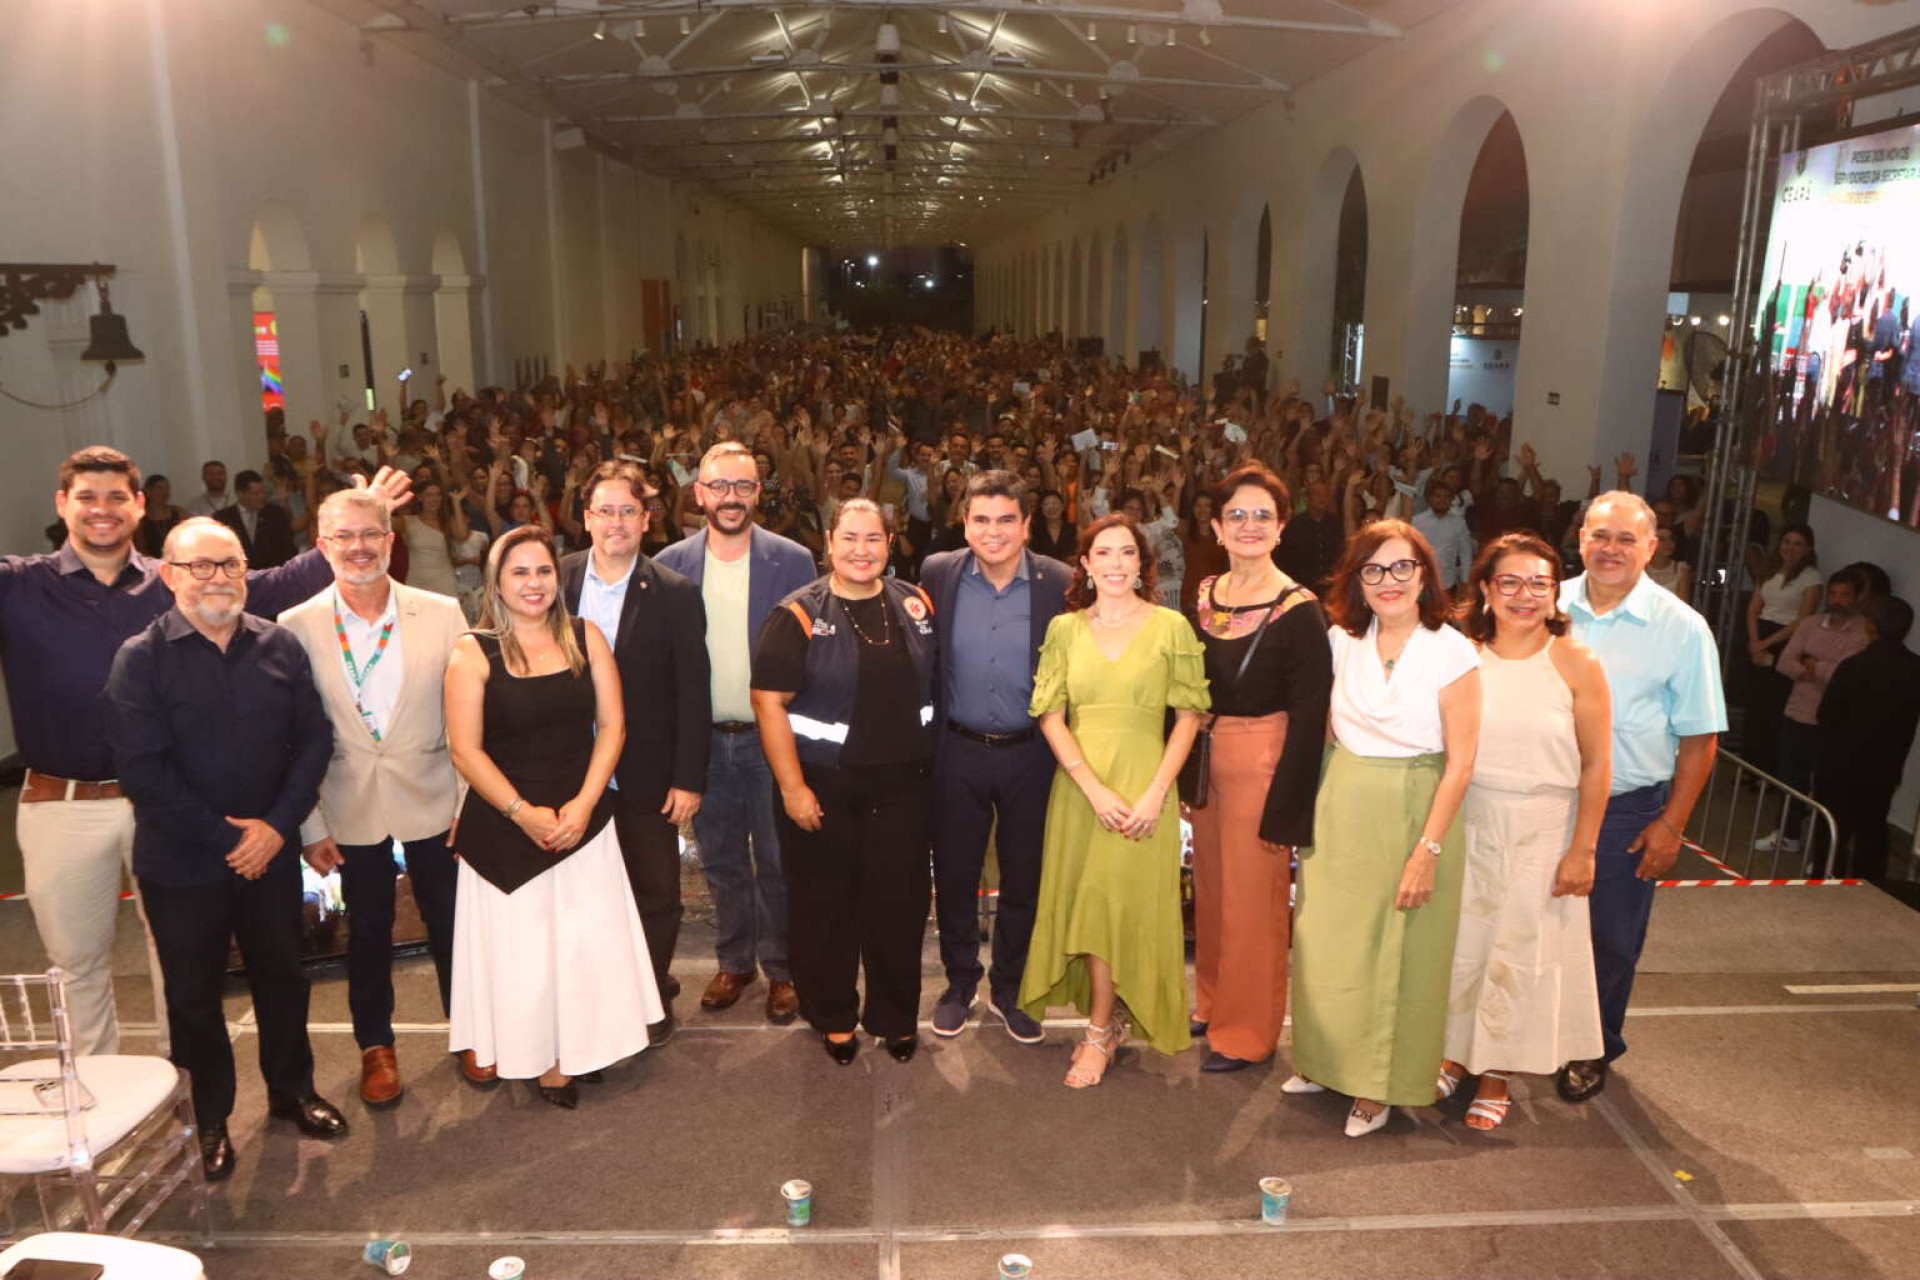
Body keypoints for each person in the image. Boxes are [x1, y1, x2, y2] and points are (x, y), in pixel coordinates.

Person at [0, 446, 408, 1059]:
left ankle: (183, 1097)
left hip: (172, 809)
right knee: (77, 966)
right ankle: (103, 1102)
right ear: (62, 505)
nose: (102, 511)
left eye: (117, 497)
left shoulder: (178, 577)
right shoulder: (19, 586)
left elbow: (271, 581)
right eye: (87, 497)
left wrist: (350, 529)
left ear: (139, 506)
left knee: (181, 966)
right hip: (68, 803)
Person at [104, 518, 343, 1182]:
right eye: (201, 566)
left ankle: (293, 1091)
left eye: (230, 565)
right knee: (193, 998)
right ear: (170, 575)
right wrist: (233, 838)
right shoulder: (139, 659)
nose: (218, 578)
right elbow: (143, 773)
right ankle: (208, 1117)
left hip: (268, 853)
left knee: (284, 978)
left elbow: (314, 741)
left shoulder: (280, 646)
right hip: (182, 865)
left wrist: (275, 828)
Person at [444, 525, 661, 1108]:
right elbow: (466, 750)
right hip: (506, 829)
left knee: (582, 948)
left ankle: (576, 1051)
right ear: (496, 582)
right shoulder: (472, 651)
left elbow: (613, 726)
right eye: (519, 572)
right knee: (524, 958)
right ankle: (534, 1056)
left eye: (543, 570)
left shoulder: (585, 637)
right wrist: (523, 814)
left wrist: (584, 805)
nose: (533, 583)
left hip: (581, 820)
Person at [278, 489, 477, 1105]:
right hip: (348, 805)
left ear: (391, 540)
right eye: (344, 537)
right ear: (322, 546)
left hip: (436, 796)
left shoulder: (442, 613)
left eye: (370, 534)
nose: (358, 547)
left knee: (453, 924)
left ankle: (470, 1031)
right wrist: (310, 825)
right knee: (367, 931)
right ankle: (376, 1047)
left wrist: (472, 805)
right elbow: (292, 734)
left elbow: (471, 716)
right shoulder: (296, 625)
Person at [1286, 520, 1481, 1137]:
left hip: (1414, 806)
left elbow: (1464, 760)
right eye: (1373, 570)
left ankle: (1379, 1087)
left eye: (1402, 568)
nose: (1388, 581)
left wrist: (1428, 849)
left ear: (1425, 574)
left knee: (1397, 956)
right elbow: (1320, 730)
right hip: (1342, 802)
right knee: (1328, 947)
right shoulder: (1342, 640)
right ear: (1358, 582)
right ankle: (1322, 1062)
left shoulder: (1453, 650)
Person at [1018, 514, 1209, 1087]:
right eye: (1105, 553)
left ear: (1142, 564)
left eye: (1128, 553)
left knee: (1127, 908)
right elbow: (1050, 716)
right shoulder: (1065, 630)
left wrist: (1155, 795)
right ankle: (1103, 1024)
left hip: (1147, 791)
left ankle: (1107, 1025)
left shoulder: (1172, 626)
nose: (1117, 563)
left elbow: (1190, 716)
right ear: (1086, 564)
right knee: (1095, 906)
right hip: (1081, 793)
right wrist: (1092, 787)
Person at [750, 500, 939, 1066]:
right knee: (825, 909)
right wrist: (792, 789)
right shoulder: (798, 614)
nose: (862, 549)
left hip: (904, 787)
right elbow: (768, 702)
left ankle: (896, 1017)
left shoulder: (915, 602)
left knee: (899, 907)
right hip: (822, 789)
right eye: (850, 538)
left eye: (874, 538)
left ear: (890, 542)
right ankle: (833, 1016)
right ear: (829, 541)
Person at [1555, 491, 1725, 1103]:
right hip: (1538, 800)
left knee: (1609, 939)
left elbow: (1701, 739)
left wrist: (1671, 824)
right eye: (1600, 536)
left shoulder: (1682, 629)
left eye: (1627, 539)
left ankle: (1591, 1047)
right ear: (1580, 540)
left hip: (1626, 809)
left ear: (1652, 548)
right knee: (1518, 926)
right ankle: (1506, 1044)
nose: (1611, 550)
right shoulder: (1542, 605)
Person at [1439, 534, 1610, 1131]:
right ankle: (1456, 1055)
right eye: (1509, 582)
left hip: (1544, 827)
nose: (1524, 595)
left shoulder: (1576, 661)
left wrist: (1582, 848)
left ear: (1555, 591)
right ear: (1485, 589)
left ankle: (1497, 1075)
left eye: (1539, 582)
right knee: (1462, 945)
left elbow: (1596, 763)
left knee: (1518, 954)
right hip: (1471, 819)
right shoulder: (1460, 655)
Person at [655, 443, 816, 1024]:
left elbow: (812, 656)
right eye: (719, 486)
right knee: (721, 860)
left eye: (743, 487)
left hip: (771, 740)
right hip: (704, 741)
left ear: (758, 493)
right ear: (698, 493)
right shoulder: (670, 564)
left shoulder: (794, 560)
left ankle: (783, 969)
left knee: (777, 859)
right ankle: (735, 961)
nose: (730, 497)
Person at [1186, 466, 1331, 1073]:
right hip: (1208, 759)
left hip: (1265, 762)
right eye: (1236, 515)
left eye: (1262, 515)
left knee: (1255, 904)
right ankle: (1213, 998)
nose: (1249, 526)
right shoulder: (1206, 593)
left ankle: (1246, 1030)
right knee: (1213, 891)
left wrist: (1289, 804)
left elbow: (1311, 715)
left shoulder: (1299, 608)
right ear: (1216, 526)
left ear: (1281, 527)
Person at [920, 472, 1073, 1044]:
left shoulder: (1060, 582)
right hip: (956, 751)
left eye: (1006, 519)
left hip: (1032, 756)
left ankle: (1010, 988)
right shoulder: (939, 573)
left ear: (1027, 525)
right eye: (981, 520)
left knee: (1024, 878)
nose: (993, 531)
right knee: (955, 876)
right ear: (965, 525)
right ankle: (960, 983)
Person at [560, 461, 710, 1040]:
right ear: (586, 518)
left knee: (655, 892)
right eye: (605, 510)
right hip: (571, 775)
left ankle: (649, 995)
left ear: (646, 520)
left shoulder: (674, 593)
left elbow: (693, 689)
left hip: (647, 773)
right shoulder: (559, 580)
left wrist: (688, 778)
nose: (616, 521)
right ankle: (597, 998)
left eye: (629, 510)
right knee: (585, 894)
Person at [1764, 567, 1871, 863]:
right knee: (1789, 779)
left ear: (1858, 598)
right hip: (1796, 712)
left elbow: (1845, 678)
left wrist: (1814, 666)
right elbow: (1785, 662)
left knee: (1826, 788)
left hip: (1831, 722)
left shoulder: (1864, 635)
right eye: (1833, 594)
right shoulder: (1810, 624)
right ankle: (1787, 835)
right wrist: (1818, 669)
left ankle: (1822, 851)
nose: (1837, 600)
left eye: (1844, 595)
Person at [1817, 595, 1920, 880]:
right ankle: (1871, 885)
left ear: (1870, 627)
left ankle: (1826, 876)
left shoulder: (1853, 666)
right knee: (1873, 825)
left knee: (1834, 825)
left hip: (1841, 760)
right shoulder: (1915, 668)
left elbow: (1826, 715)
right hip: (1887, 762)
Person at [1741, 525, 1820, 776]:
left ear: (1807, 549)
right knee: (1753, 703)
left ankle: (1769, 768)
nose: (1790, 547)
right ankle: (1749, 765)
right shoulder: (1769, 570)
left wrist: (1764, 644)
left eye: (1797, 543)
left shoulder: (1811, 577)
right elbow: (1754, 608)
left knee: (1773, 705)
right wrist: (1755, 641)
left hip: (1786, 640)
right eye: (1786, 541)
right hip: (1760, 634)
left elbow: (1803, 619)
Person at [394, 478, 468, 598]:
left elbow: (462, 535)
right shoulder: (407, 521)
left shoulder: (447, 522)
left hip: (444, 583)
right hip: (417, 583)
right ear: (420, 497)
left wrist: (456, 503)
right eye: (429, 495)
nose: (434, 499)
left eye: (437, 495)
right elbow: (379, 521)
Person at [216, 470, 299, 569]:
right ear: (240, 493)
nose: (262, 497)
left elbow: (288, 548)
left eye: (263, 492)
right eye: (256, 494)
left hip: (273, 576)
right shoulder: (223, 518)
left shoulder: (276, 514)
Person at [1277, 480, 1344, 594]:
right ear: (1307, 498)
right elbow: (1285, 560)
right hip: (1301, 587)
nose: (1322, 498)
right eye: (1317, 494)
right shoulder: (1293, 526)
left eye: (1325, 494)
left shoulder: (1335, 524)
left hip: (1331, 588)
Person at [1412, 477, 1473, 593]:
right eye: (1438, 496)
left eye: (1446, 497)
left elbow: (1465, 553)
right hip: (1422, 583)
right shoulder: (1417, 521)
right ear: (1430, 499)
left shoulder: (1459, 523)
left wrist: (1465, 581)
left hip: (1448, 583)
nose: (1442, 500)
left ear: (1451, 500)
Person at [134, 473, 184, 558]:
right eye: (160, 488)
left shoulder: (177, 512)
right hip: (150, 564)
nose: (165, 492)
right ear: (149, 491)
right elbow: (140, 547)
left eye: (167, 488)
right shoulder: (141, 517)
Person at [1645, 522, 1694, 599]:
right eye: (1661, 539)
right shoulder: (1640, 568)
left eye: (1672, 539)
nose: (1668, 543)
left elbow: (1682, 603)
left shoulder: (1681, 569)